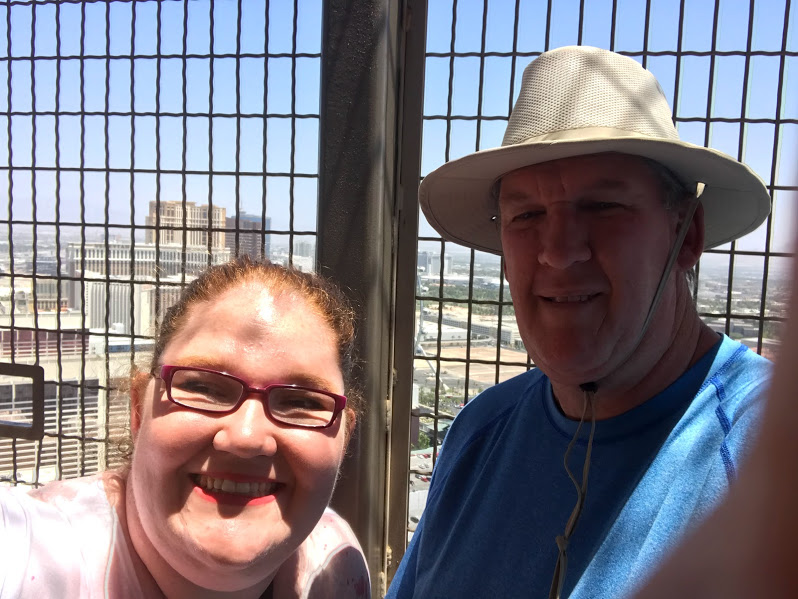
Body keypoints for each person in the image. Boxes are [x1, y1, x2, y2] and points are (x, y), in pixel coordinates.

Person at [387, 45, 773, 598]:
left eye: (602, 207)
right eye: (527, 215)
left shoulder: (767, 456)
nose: (559, 252)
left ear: (685, 236)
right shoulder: (480, 432)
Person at [0, 257, 370, 598]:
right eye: (202, 387)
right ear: (138, 411)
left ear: (345, 439)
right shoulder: (28, 550)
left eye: (303, 402)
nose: (245, 437)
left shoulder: (336, 564)